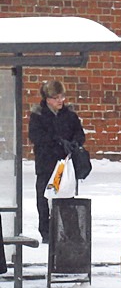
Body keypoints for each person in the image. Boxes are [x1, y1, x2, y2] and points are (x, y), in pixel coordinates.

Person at [28, 80, 85, 243]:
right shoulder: (38, 115)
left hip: (65, 164)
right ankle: (46, 231)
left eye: (62, 96)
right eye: (56, 97)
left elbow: (80, 134)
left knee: (66, 196)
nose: (60, 100)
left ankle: (69, 231)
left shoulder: (70, 116)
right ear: (47, 99)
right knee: (44, 197)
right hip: (46, 163)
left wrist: (74, 143)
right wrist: (58, 141)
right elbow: (36, 136)